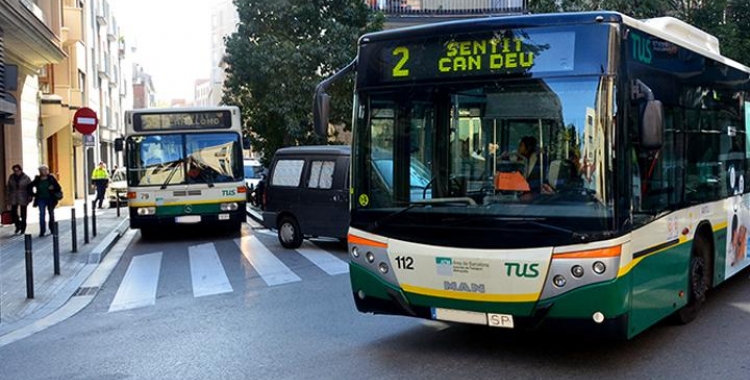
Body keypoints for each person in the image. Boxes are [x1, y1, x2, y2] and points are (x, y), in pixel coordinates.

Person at [29, 165, 62, 237]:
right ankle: (42, 231)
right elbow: (29, 186)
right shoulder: (37, 179)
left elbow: (58, 187)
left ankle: (52, 229)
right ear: (40, 171)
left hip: (50, 198)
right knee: (42, 214)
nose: (44, 171)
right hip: (41, 199)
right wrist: (33, 194)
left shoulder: (51, 178)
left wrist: (53, 188)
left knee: (51, 214)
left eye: (45, 170)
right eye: (42, 170)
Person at [5, 164, 32, 234]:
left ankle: (23, 227)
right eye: (14, 171)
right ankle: (18, 225)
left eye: (17, 170)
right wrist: (7, 198)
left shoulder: (26, 178)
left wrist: (30, 196)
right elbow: (8, 188)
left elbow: (30, 188)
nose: (16, 172)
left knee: (23, 213)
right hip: (13, 196)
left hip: (23, 196)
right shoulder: (11, 177)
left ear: (20, 170)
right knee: (13, 212)